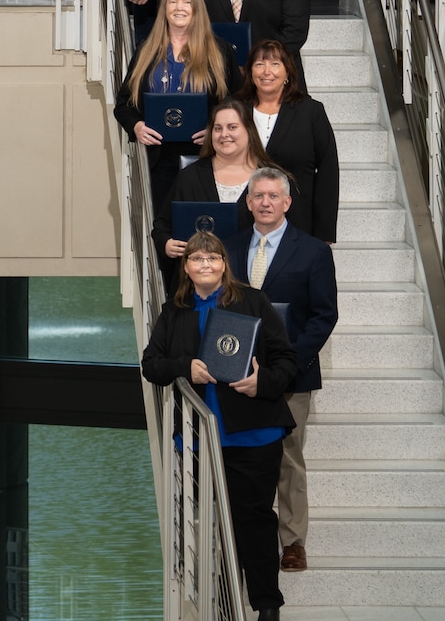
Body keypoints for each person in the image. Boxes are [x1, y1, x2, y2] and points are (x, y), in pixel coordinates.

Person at [141, 231, 297, 621]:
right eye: (196, 259)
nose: (205, 265)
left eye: (212, 259)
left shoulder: (252, 301)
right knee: (211, 525)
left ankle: (266, 605)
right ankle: (226, 604)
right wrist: (184, 367)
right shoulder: (173, 311)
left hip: (252, 436)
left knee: (254, 521)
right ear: (186, 266)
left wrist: (262, 383)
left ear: (224, 264)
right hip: (197, 442)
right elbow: (150, 364)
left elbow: (286, 362)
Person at [227, 167, 339, 578]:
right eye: (258, 196)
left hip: (291, 377)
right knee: (243, 458)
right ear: (248, 201)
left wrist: (287, 365)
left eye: (274, 196)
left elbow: (324, 317)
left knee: (289, 458)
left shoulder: (313, 252)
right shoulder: (231, 248)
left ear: (288, 202)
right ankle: (242, 535)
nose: (266, 203)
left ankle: (292, 542)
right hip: (238, 376)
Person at [114, 0, 241, 210]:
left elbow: (239, 102)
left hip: (207, 158)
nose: (179, 8)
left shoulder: (220, 50)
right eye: (172, 2)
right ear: (164, 9)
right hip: (158, 161)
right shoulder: (146, 50)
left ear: (197, 9)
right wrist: (137, 126)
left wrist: (217, 130)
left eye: (186, 2)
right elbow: (123, 103)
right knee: (164, 229)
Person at [151, 98, 276, 293]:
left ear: (249, 131)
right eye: (217, 128)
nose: (224, 134)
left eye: (232, 127)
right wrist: (167, 244)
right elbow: (161, 226)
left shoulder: (270, 179)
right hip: (197, 289)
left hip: (253, 286)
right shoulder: (189, 176)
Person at [238, 40, 340, 244]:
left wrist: (324, 232)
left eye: (275, 64)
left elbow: (328, 171)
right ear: (250, 72)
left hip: (298, 218)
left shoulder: (311, 111)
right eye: (259, 64)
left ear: (288, 73)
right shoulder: (234, 108)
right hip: (242, 218)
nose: (267, 71)